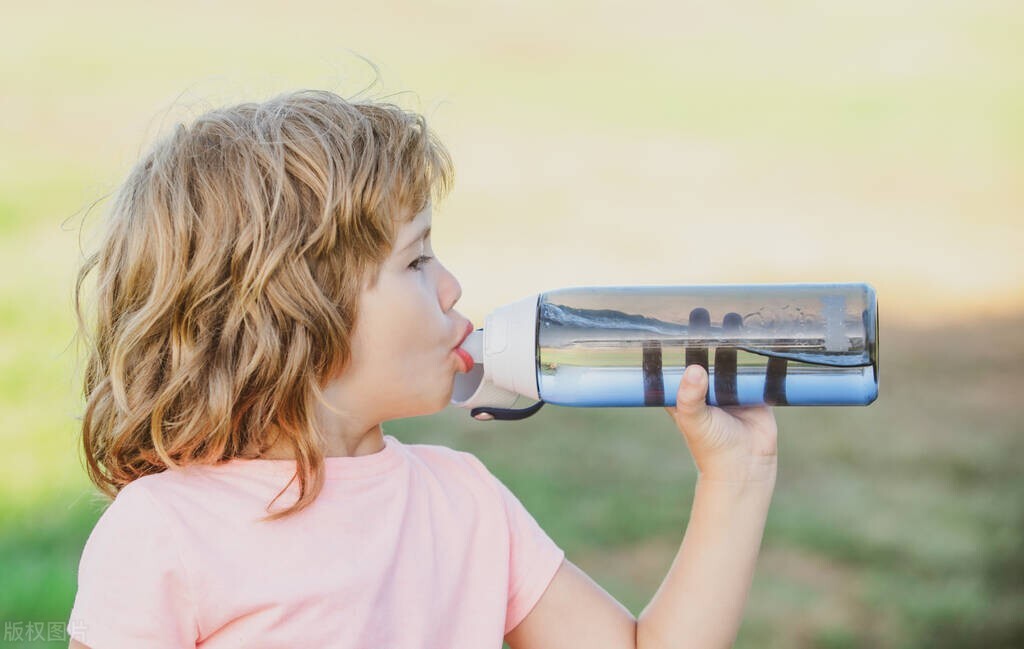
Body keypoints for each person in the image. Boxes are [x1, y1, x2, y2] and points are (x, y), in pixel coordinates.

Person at [66, 88, 778, 649]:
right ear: (296, 316)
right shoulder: (164, 534)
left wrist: (736, 476)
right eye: (416, 259)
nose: (452, 287)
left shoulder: (464, 502)